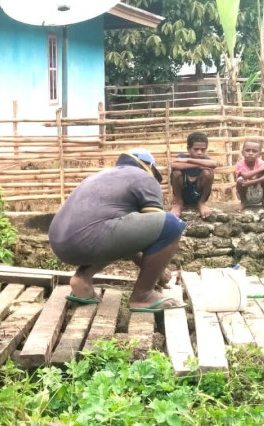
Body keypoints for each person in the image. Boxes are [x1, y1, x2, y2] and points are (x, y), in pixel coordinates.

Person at [49, 149, 187, 313]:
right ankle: (143, 296)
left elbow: (129, 239)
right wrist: (157, 271)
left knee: (109, 228)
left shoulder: (101, 176)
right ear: (149, 165)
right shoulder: (144, 177)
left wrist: (156, 269)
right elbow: (156, 233)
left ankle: (82, 280)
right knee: (172, 224)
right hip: (91, 237)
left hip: (60, 243)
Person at [169, 132, 217, 218]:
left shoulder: (206, 160)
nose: (199, 152)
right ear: (188, 148)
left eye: (203, 150)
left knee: (208, 173)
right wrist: (198, 165)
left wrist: (188, 161)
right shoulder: (182, 157)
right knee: (176, 173)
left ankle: (202, 203)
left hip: (198, 192)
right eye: (196, 149)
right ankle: (179, 203)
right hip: (184, 192)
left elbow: (214, 164)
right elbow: (174, 165)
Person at [234, 140, 264, 210]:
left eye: (254, 151)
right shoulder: (240, 164)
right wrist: (261, 169)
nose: (250, 153)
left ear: (260, 154)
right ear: (242, 152)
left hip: (259, 192)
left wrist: (253, 182)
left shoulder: (261, 163)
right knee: (240, 181)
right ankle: (243, 202)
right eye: (247, 150)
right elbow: (245, 175)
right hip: (245, 192)